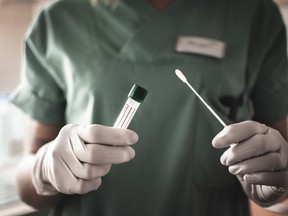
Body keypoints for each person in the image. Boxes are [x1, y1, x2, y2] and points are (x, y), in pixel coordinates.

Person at [9, 0, 288, 215]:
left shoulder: (252, 14)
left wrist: (276, 182)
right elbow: (27, 182)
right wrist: (43, 170)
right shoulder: (60, 19)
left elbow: (280, 149)